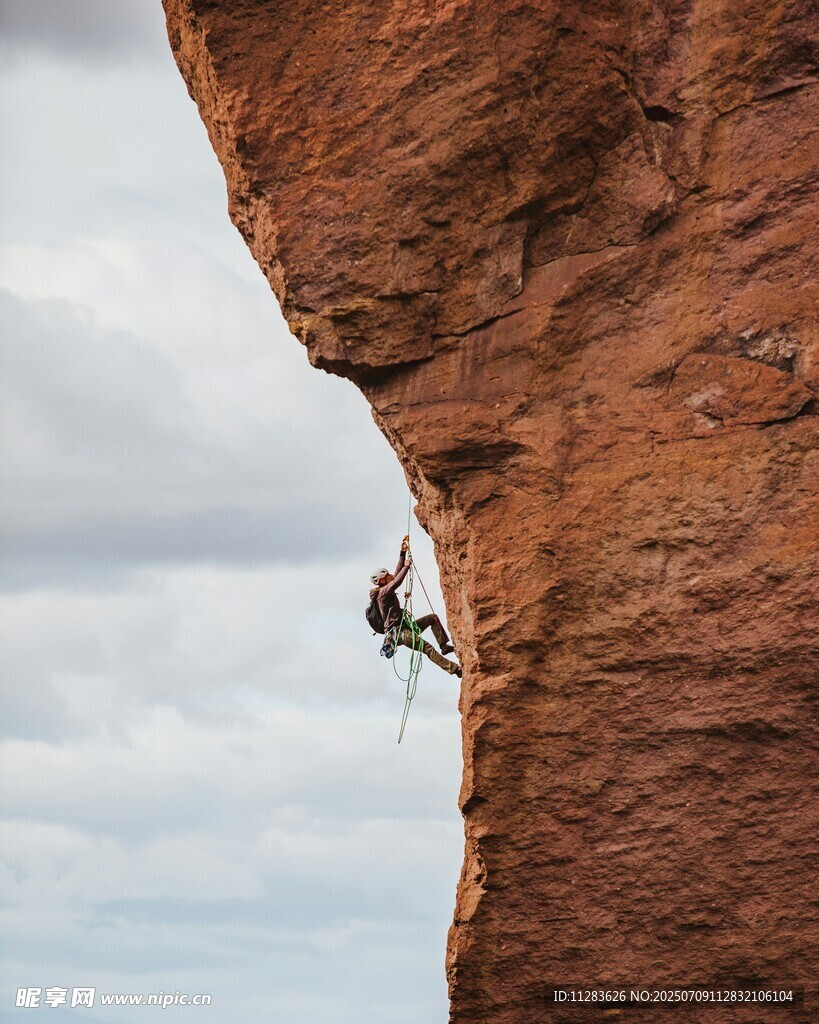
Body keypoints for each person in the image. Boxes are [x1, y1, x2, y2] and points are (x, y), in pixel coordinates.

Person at [367, 538, 462, 677]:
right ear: (382, 581)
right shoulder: (383, 593)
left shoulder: (384, 590)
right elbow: (397, 581)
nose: (391, 575)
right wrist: (406, 566)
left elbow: (395, 576)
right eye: (388, 576)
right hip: (399, 633)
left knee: (432, 618)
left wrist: (402, 554)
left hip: (404, 628)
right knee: (428, 649)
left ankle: (444, 646)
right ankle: (455, 669)